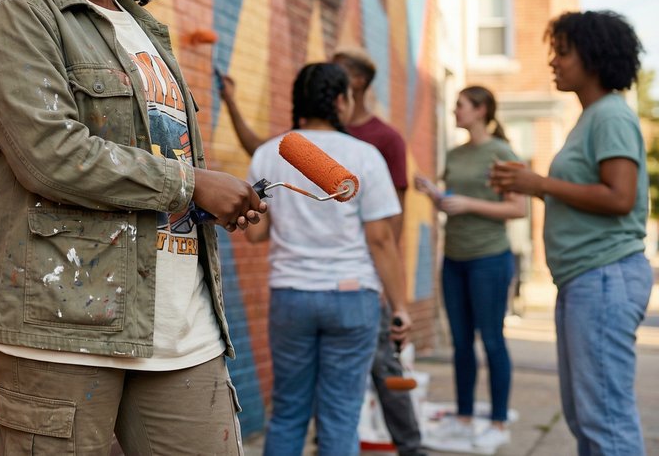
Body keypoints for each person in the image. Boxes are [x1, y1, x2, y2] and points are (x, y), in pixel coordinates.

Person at [0, 0, 267, 455]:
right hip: (62, 320)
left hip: (182, 325)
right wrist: (190, 184)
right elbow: (48, 154)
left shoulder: (146, 31)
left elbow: (151, 156)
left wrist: (213, 198)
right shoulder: (22, 16)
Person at [220, 49, 426, 456]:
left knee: (289, 412)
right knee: (340, 415)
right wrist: (400, 306)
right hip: (353, 299)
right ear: (340, 101)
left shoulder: (270, 153)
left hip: (292, 296)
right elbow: (382, 240)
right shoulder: (365, 156)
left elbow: (257, 238)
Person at [490, 10, 652, 456]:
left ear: (594, 58)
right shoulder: (591, 117)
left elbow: (620, 197)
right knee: (587, 417)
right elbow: (587, 193)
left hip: (604, 277)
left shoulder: (610, 116)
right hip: (585, 279)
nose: (553, 62)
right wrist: (530, 185)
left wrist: (539, 184)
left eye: (563, 52)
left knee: (606, 421)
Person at [414, 86, 527, 450]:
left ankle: (497, 421)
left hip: (489, 259)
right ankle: (464, 417)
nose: (454, 112)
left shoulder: (502, 153)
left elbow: (518, 209)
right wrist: (436, 195)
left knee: (491, 340)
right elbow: (453, 202)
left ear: (480, 111)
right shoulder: (454, 153)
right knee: (461, 343)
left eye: (460, 106)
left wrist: (469, 204)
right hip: (454, 259)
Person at [330, 48, 426, 456]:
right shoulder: (320, 135)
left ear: (355, 83)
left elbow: (395, 220)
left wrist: (389, 282)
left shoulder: (385, 139)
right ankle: (332, 443)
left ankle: (411, 448)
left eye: (337, 73)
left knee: (385, 367)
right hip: (326, 273)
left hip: (369, 273)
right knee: (332, 371)